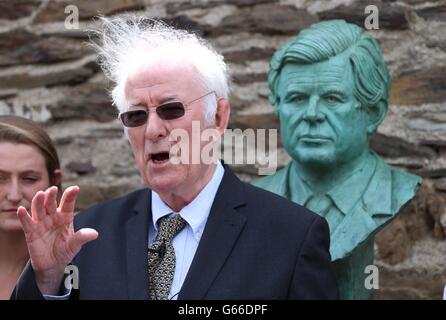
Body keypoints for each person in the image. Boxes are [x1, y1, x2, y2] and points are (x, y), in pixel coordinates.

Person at [12, 16, 338, 300]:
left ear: (219, 117)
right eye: (136, 115)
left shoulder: (291, 236)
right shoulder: (85, 237)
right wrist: (48, 278)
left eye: (171, 109)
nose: (153, 129)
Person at [254, 20, 422, 299]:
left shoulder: (397, 194)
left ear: (373, 113)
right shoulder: (255, 200)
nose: (312, 114)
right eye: (296, 98)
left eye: (332, 98)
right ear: (279, 106)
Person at [0, 115, 62, 300]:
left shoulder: (82, 262)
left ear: (54, 182)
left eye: (29, 179)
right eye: (0, 179)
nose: (14, 195)